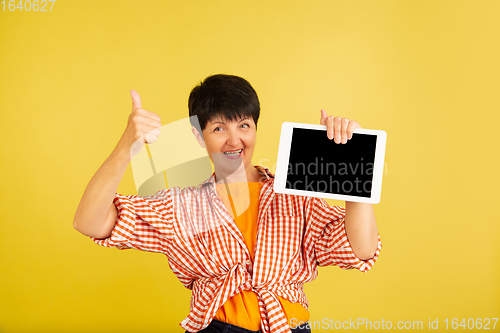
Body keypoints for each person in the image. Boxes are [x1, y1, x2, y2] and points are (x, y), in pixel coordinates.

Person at [73, 74, 382, 333]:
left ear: (255, 129)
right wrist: (127, 145)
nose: (235, 141)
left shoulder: (295, 196)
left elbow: (361, 249)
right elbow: (89, 222)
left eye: (244, 126)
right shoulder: (180, 207)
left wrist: (352, 160)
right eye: (219, 128)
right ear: (198, 136)